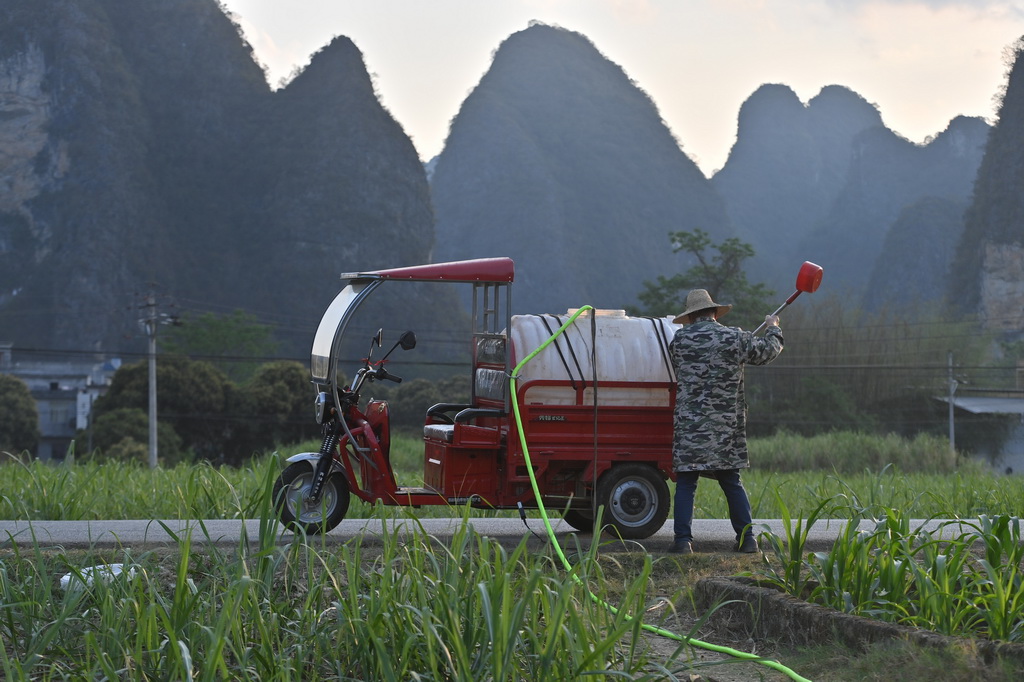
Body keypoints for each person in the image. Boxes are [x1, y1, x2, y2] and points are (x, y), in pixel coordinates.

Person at [667, 289, 783, 554]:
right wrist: (773, 327)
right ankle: (747, 540)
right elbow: (767, 352)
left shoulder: (679, 340)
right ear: (714, 312)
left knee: (686, 482)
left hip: (690, 426)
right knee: (731, 481)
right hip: (725, 426)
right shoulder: (735, 337)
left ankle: (683, 541)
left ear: (690, 316)